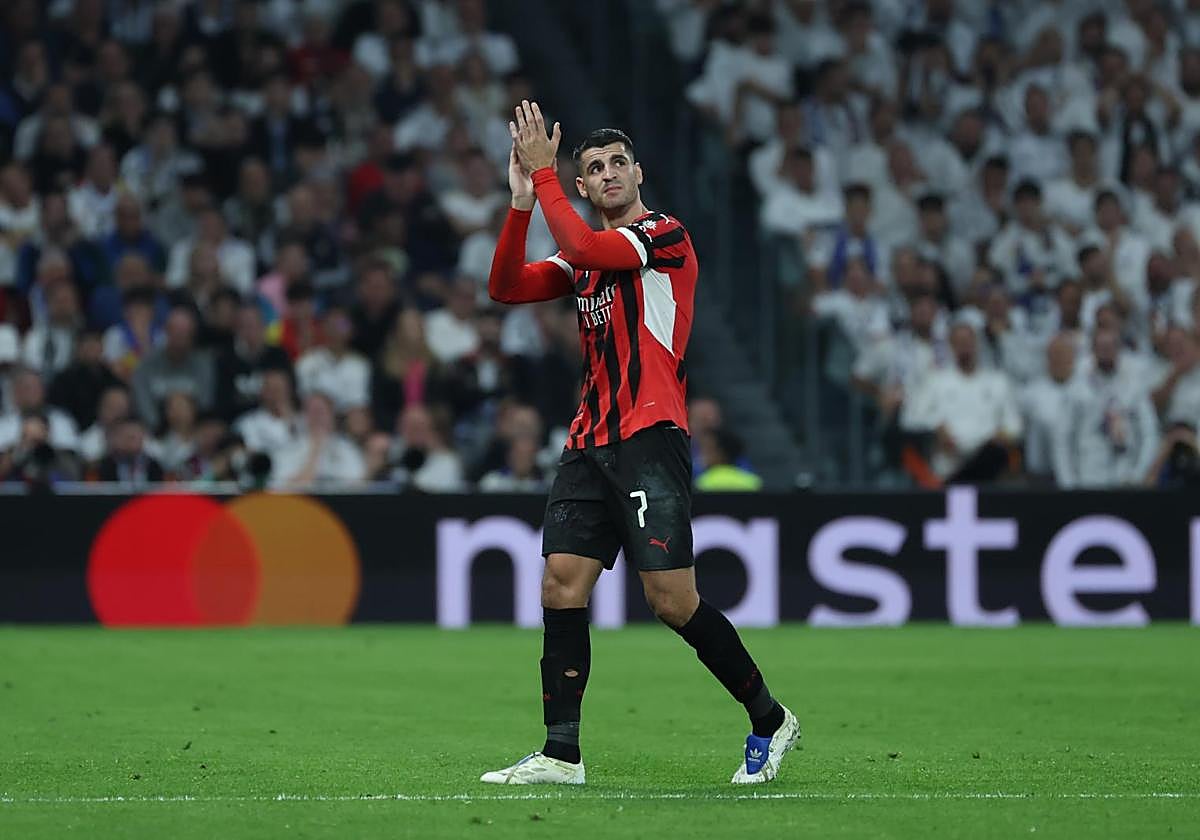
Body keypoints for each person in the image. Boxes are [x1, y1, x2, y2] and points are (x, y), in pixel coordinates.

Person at [481, 103, 798, 786]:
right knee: (560, 584)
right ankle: (561, 754)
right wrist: (521, 203)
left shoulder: (663, 235)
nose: (608, 173)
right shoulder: (583, 259)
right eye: (594, 168)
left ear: (638, 173)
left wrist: (545, 176)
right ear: (586, 187)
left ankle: (769, 718)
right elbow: (505, 286)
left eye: (617, 162)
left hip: (651, 436)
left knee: (671, 601)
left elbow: (586, 247)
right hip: (589, 440)